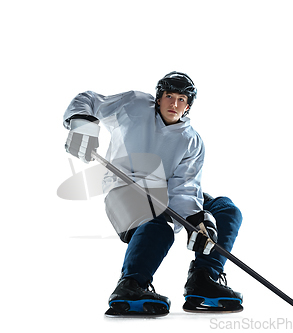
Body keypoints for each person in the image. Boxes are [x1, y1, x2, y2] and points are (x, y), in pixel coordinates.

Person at [63, 72, 243, 317]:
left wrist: (195, 221)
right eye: (169, 96)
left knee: (225, 211)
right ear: (158, 98)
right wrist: (81, 124)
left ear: (188, 105)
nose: (174, 104)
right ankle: (131, 285)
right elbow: (90, 100)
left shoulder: (192, 141)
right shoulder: (133, 105)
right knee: (157, 225)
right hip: (124, 187)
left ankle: (204, 278)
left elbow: (185, 186)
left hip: (167, 192)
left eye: (181, 99)